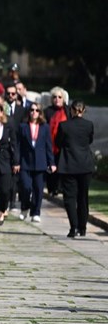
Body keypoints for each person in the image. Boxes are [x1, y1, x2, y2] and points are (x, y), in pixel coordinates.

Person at [55, 100, 94, 238]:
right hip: (84, 165)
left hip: (69, 165)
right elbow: (89, 141)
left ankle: (74, 227)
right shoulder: (89, 125)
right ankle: (82, 228)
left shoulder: (64, 126)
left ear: (71, 110)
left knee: (70, 198)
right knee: (83, 198)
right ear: (83, 111)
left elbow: (58, 142)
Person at [16, 103, 55, 223]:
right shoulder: (23, 126)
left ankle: (36, 212)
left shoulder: (45, 127)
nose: (34, 112)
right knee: (26, 187)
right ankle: (25, 207)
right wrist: (16, 162)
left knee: (38, 189)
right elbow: (18, 146)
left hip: (40, 162)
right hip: (25, 162)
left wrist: (51, 162)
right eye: (32, 110)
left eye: (37, 110)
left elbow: (49, 146)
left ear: (40, 112)